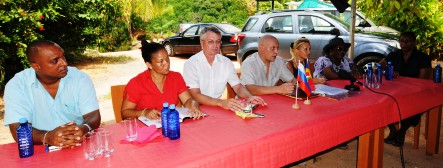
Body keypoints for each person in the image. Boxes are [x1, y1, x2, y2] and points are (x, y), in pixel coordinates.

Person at [4, 40, 101, 148]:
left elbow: (93, 115)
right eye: (55, 61)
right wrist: (47, 137)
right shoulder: (17, 86)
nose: (64, 63)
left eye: (63, 57)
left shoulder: (79, 78)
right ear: (36, 66)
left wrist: (83, 128)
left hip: (79, 145)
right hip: (39, 150)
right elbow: (18, 129)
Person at [183, 26, 267, 112]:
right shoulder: (191, 64)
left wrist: (250, 97)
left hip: (216, 109)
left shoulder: (226, 62)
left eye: (218, 41)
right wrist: (221, 102)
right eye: (210, 42)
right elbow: (195, 95)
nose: (215, 45)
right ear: (202, 42)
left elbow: (238, 87)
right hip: (196, 109)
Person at [121, 41, 205, 120]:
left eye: (167, 59)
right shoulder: (137, 83)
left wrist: (193, 103)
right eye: (160, 61)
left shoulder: (176, 77)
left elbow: (187, 100)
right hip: (146, 129)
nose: (166, 64)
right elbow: (125, 113)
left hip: (170, 125)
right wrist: (143, 112)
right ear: (149, 65)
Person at [380, 31, 431, 146]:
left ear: (414, 42)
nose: (404, 44)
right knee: (383, 103)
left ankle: (402, 132)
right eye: (402, 41)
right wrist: (388, 72)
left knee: (412, 106)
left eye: (407, 41)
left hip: (414, 92)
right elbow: (378, 68)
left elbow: (422, 81)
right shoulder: (394, 55)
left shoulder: (422, 58)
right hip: (394, 91)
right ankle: (393, 131)